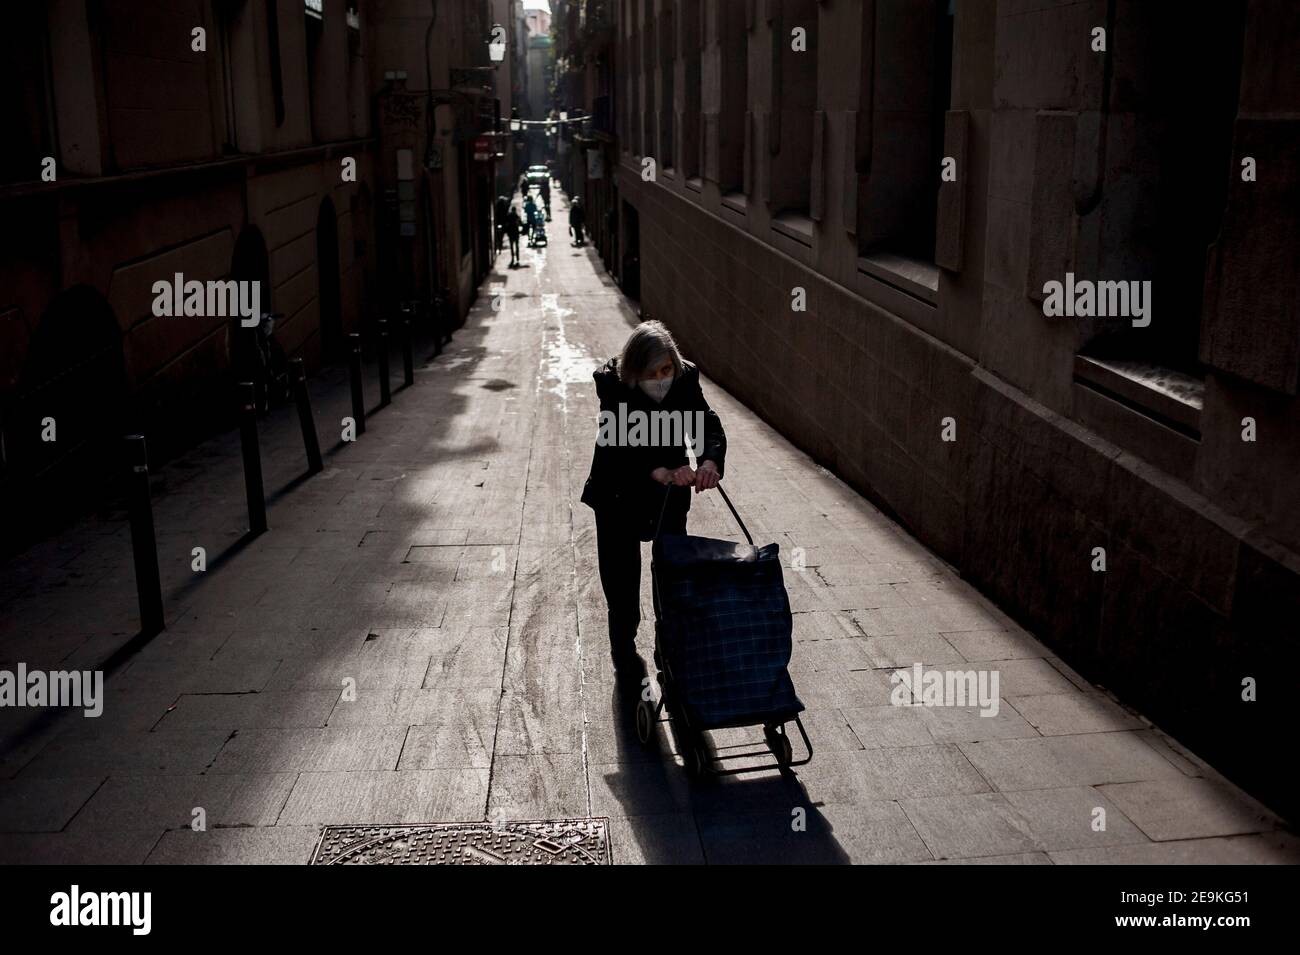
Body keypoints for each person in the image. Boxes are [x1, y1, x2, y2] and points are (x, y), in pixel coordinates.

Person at [580, 321, 726, 676]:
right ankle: (625, 651)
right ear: (634, 372)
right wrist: (658, 471)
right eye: (652, 372)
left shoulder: (684, 379)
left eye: (667, 369)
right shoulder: (614, 387)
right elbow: (617, 444)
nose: (662, 378)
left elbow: (704, 421)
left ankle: (670, 649)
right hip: (618, 491)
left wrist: (708, 460)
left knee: (672, 570)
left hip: (668, 495)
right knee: (621, 580)